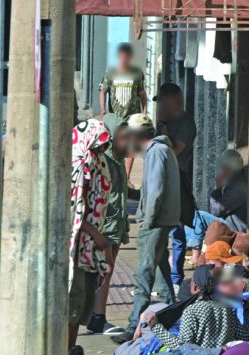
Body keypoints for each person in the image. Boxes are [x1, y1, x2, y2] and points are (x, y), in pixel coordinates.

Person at [114, 113, 181, 345]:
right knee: (162, 276)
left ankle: (134, 326)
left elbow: (156, 191)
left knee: (144, 275)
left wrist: (147, 221)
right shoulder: (162, 150)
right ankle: (173, 317)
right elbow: (151, 190)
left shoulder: (156, 152)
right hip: (161, 220)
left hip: (155, 223)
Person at [68, 119, 113, 349]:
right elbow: (74, 210)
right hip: (75, 248)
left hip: (89, 249)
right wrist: (96, 235)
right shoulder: (77, 168)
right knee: (73, 305)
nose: (101, 152)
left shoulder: (96, 164)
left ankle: (70, 352)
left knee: (81, 305)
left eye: (105, 147)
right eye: (98, 147)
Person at [86, 114, 130, 334]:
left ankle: (97, 314)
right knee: (106, 267)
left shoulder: (119, 159)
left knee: (107, 269)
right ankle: (97, 316)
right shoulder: (103, 160)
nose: (126, 142)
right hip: (105, 222)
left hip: (117, 221)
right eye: (122, 137)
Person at [139, 265, 249, 350]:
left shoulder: (192, 311)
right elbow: (245, 336)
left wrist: (156, 327)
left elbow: (182, 346)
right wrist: (248, 312)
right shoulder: (227, 308)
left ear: (194, 286)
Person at [155, 83, 198, 293]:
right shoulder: (164, 121)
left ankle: (175, 277)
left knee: (177, 230)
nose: (160, 107)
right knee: (162, 230)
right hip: (163, 178)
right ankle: (163, 280)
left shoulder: (185, 124)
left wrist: (164, 133)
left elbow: (175, 151)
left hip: (178, 179)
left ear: (174, 101)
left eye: (163, 102)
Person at [99, 43, 147, 178]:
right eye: (122, 57)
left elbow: (142, 93)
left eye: (127, 57)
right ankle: (113, 176)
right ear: (119, 57)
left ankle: (126, 178)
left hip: (131, 117)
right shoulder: (110, 73)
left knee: (131, 146)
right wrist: (103, 109)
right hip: (115, 117)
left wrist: (144, 111)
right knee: (115, 146)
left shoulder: (137, 73)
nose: (125, 60)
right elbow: (103, 91)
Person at [209, 148, 249, 232]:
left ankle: (193, 245)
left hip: (236, 229)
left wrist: (218, 189)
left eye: (222, 167)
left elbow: (216, 211)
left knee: (199, 218)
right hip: (233, 224)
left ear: (227, 168)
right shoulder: (237, 180)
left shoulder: (237, 186)